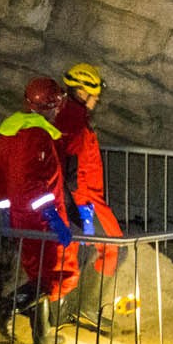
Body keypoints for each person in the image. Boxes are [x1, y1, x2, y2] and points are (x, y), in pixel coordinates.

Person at [0, 77, 73, 344]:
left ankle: (42, 336)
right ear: (50, 106)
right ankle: (7, 306)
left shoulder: (9, 131)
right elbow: (34, 184)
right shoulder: (37, 136)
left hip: (19, 215)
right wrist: (52, 216)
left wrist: (5, 212)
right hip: (39, 219)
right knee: (55, 276)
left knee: (39, 275)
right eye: (57, 104)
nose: (59, 109)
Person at [53, 63, 124, 329]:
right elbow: (71, 167)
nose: (97, 100)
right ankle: (86, 308)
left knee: (70, 253)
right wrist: (77, 210)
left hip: (78, 198)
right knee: (111, 244)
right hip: (84, 200)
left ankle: (61, 313)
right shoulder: (73, 120)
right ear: (82, 92)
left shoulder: (69, 115)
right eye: (93, 94)